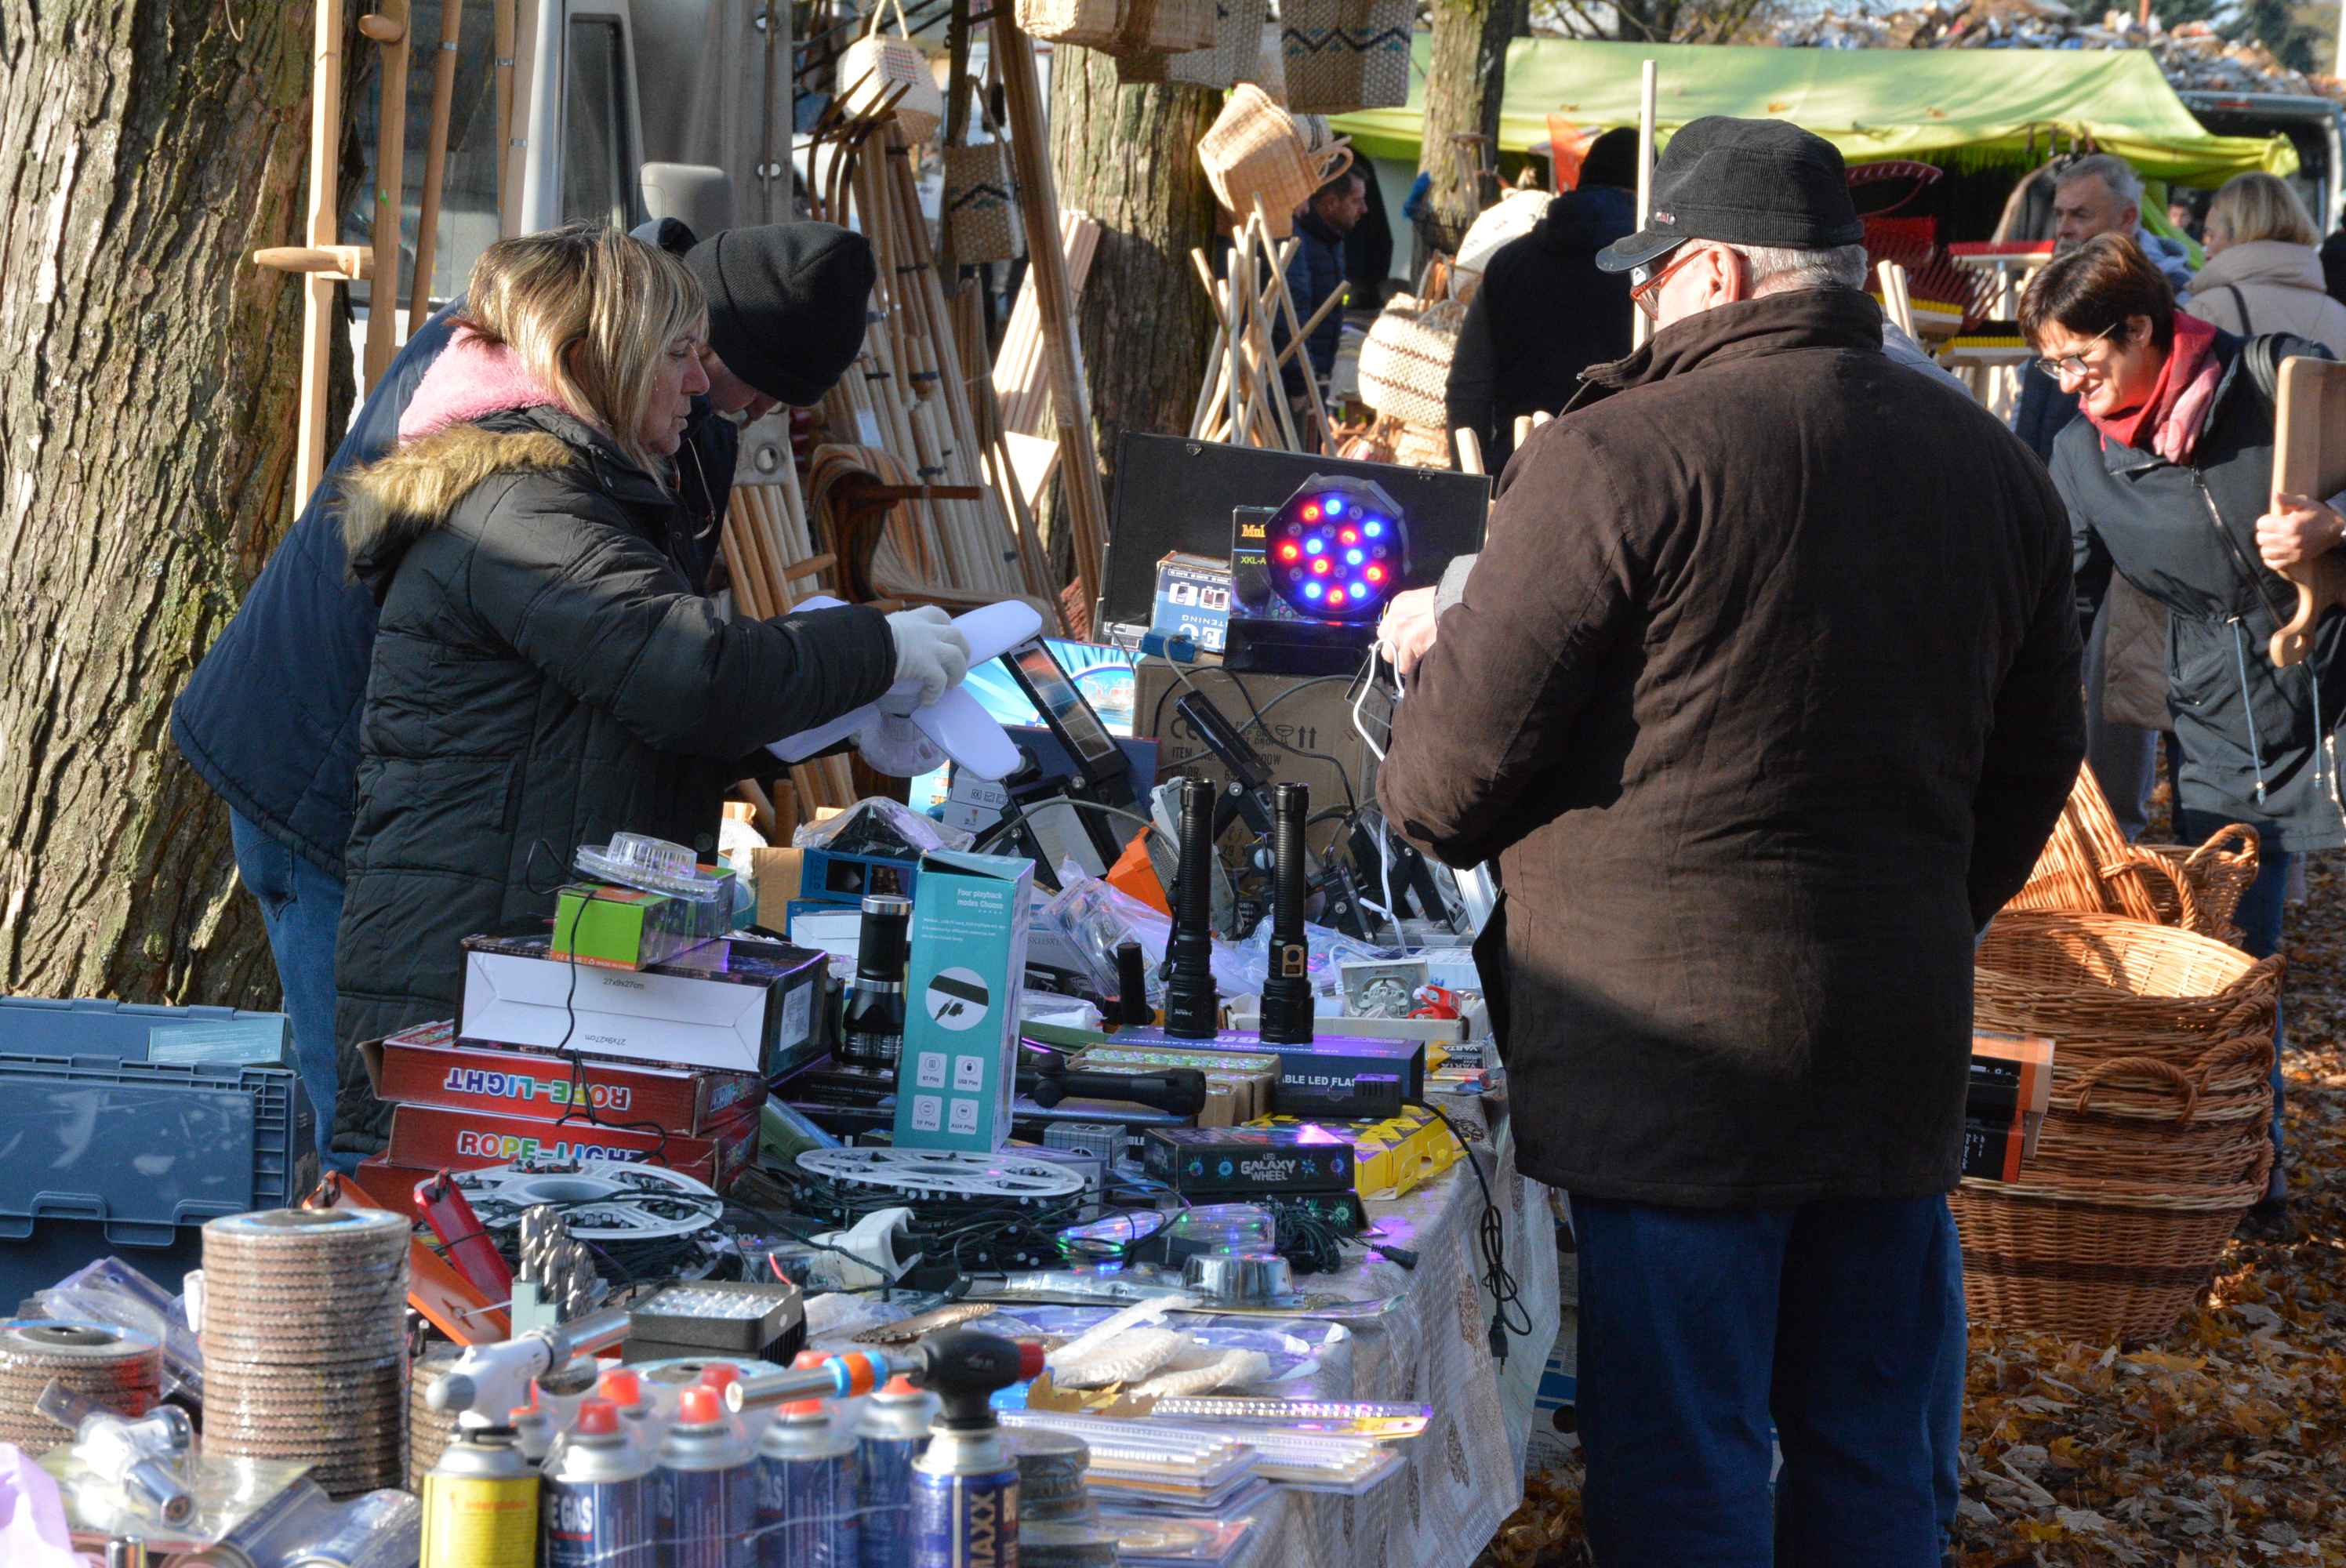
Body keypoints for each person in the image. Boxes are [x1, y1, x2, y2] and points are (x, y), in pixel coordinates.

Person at [1374, 117, 2084, 1566]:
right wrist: (1921, 912)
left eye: (1652, 278)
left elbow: (1442, 789)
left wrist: (1437, 650)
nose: (1636, 304)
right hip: (1881, 1041)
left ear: (1710, 273)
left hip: (1670, 1069)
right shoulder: (1988, 465)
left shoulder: (1618, 452)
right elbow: (2036, 766)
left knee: (1688, 1464)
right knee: (1874, 1458)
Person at [169, 220, 875, 1160]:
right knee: (385, 1117)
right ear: (622, 357)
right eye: (701, 363)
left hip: (434, 796)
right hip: (327, 776)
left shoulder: (606, 410)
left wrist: (794, 700)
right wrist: (858, 655)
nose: (722, 400)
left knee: (429, 1122)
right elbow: (660, 664)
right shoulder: (510, 445)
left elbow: (622, 655)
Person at [327, 225, 968, 1157]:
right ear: (602, 363)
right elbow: (687, 676)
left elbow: (626, 712)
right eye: (679, 355)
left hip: (515, 965)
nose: (702, 383)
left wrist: (837, 713)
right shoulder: (522, 507)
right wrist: (871, 645)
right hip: (464, 978)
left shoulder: (573, 494)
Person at [2022, 232, 2346, 1223]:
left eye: (2085, 356)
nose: (2072, 382)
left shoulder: (2277, 378)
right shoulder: (2082, 454)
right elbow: (2060, 604)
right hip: (2220, 715)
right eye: (2052, 364)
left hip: (2336, 674)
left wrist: (2336, 524)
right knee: (2233, 955)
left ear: (2145, 330)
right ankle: (2253, 1176)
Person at [2013, 153, 2176, 845]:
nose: (2067, 227)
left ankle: (2119, 845)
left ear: (2129, 219)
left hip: (2141, 541)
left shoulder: (2162, 307)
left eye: (2083, 214)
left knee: (2123, 706)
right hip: (2071, 509)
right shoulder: (2057, 300)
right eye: (2062, 214)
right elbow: (2038, 422)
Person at [1443, 127, 1638, 471]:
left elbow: (1469, 387)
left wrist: (1473, 482)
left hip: (1521, 467)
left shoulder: (1509, 262)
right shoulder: (1657, 269)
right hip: (1623, 471)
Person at [2187, 172, 2346, 354]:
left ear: (2240, 231)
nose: (2205, 247)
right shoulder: (2340, 316)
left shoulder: (2205, 311)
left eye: (2211, 235)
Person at [1280, 169, 1367, 407]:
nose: (1364, 209)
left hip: (1316, 377)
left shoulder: (1333, 239)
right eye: (1356, 201)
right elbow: (1293, 315)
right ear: (1330, 203)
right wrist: (1299, 381)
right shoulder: (1299, 242)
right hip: (1293, 385)